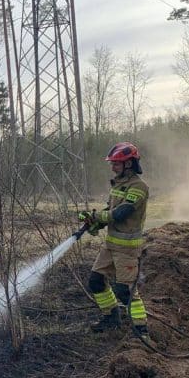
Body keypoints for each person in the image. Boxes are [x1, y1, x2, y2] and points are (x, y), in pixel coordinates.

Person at [79, 142, 150, 339]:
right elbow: (109, 211)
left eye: (116, 163)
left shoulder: (139, 187)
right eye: (112, 163)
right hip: (110, 246)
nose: (113, 167)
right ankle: (111, 318)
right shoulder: (118, 185)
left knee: (124, 290)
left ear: (129, 164)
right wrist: (95, 223)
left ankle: (141, 330)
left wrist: (100, 217)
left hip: (127, 250)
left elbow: (121, 213)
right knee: (96, 281)